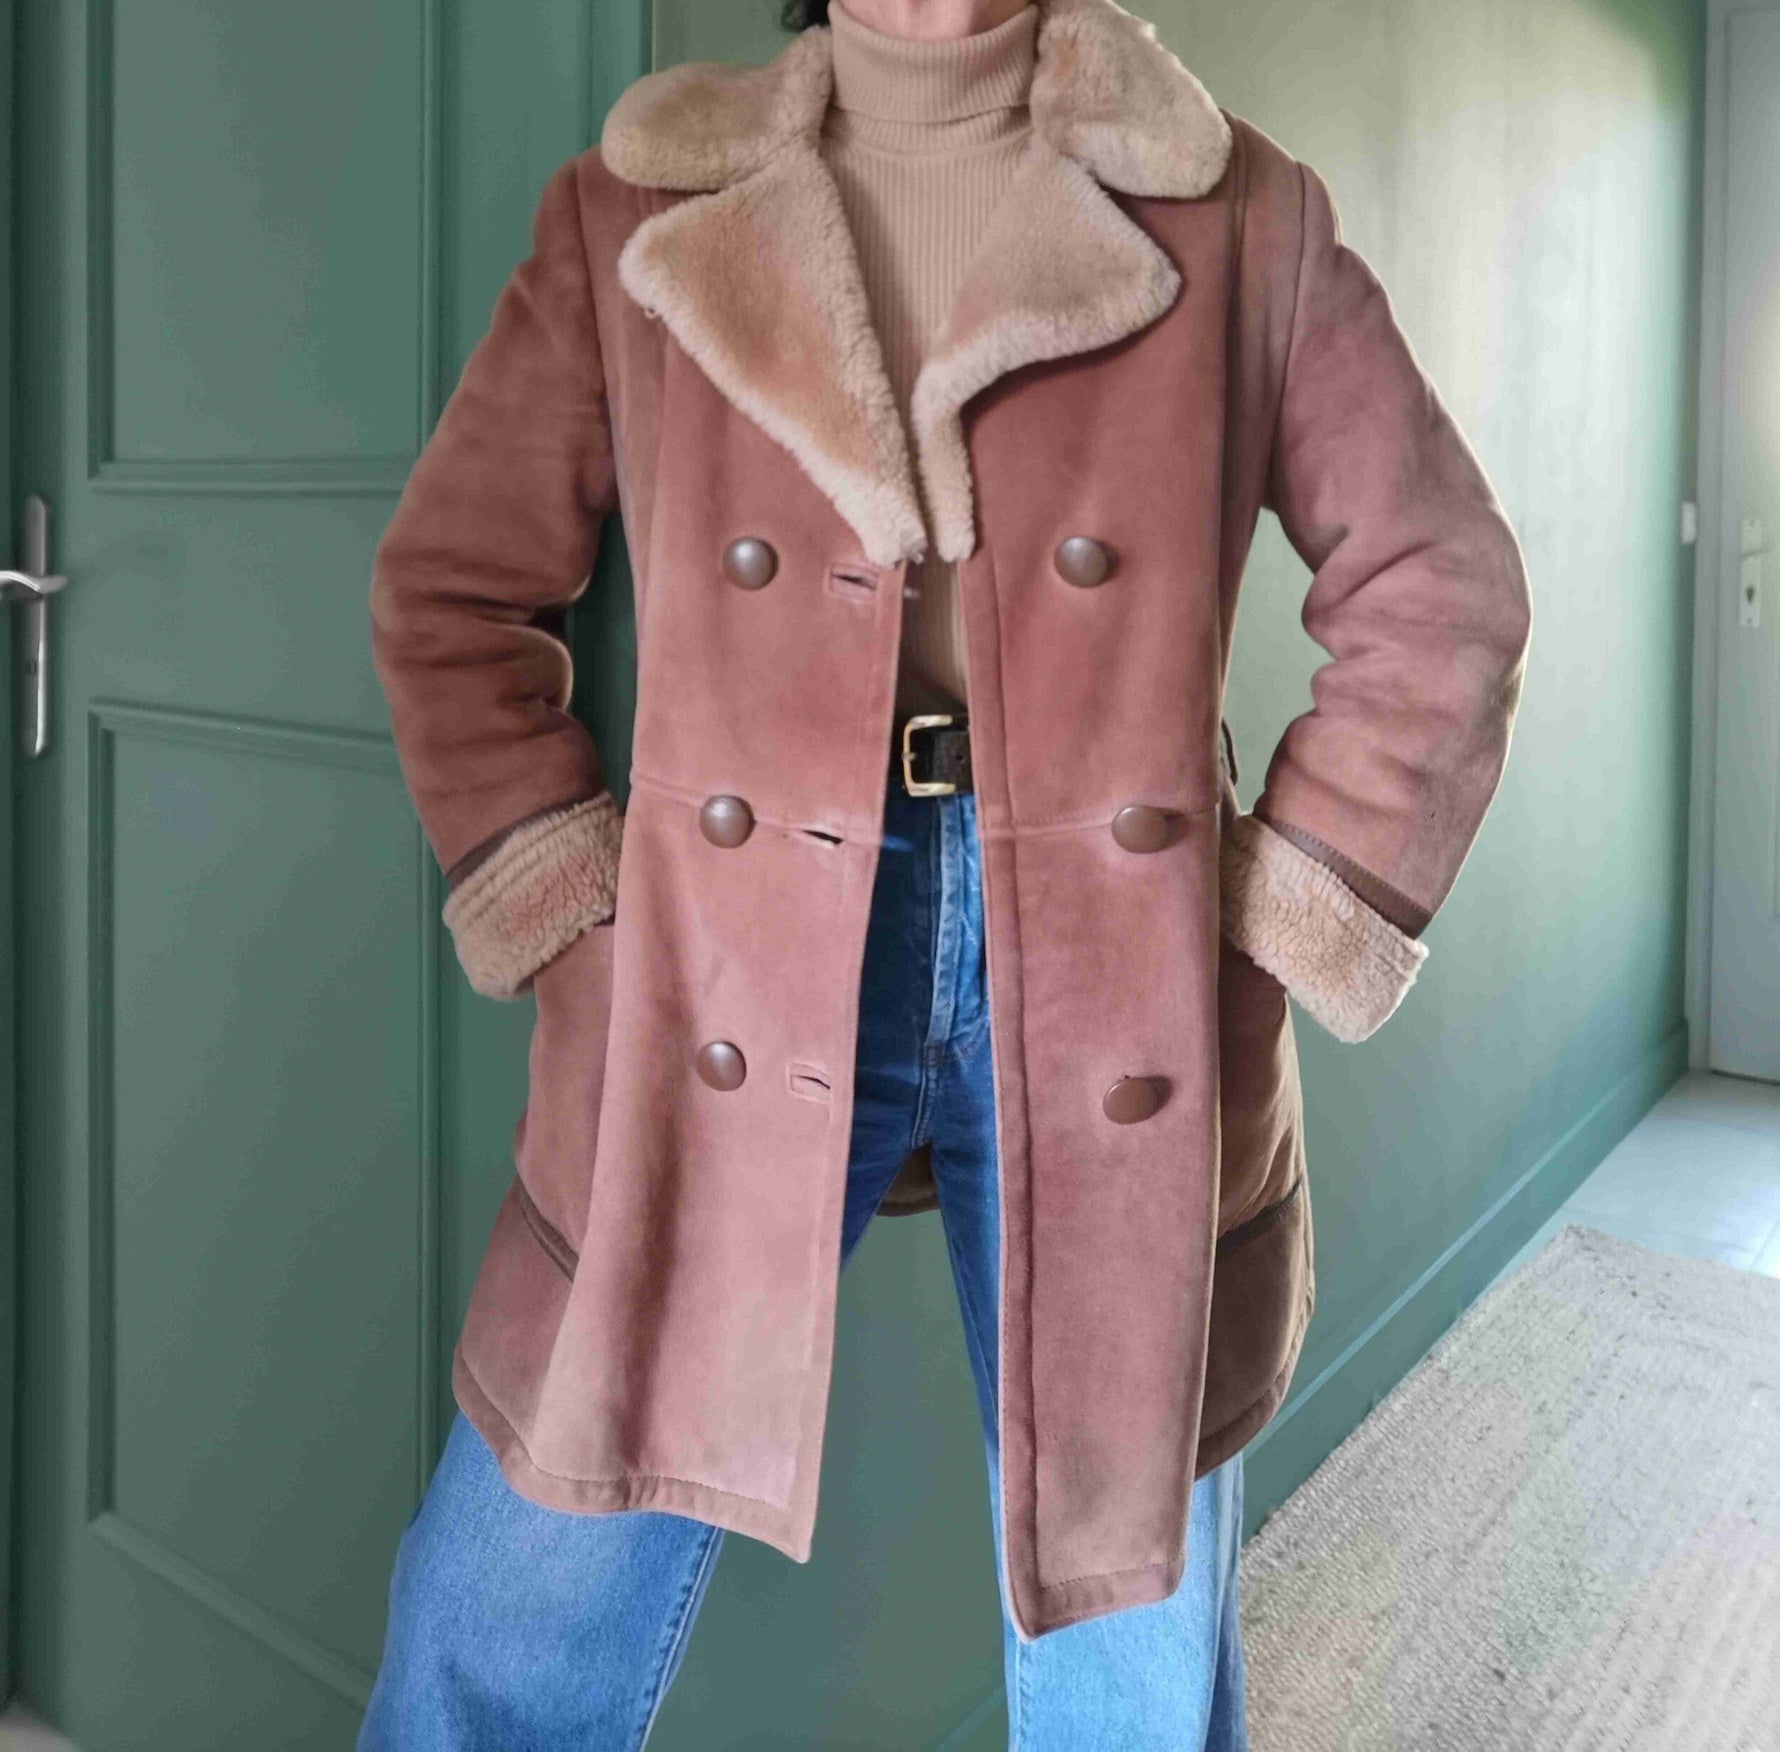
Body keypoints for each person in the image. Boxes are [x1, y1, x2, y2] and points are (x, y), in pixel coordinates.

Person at [359, 0, 1532, 1743]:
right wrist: (582, 923)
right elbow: (451, 592)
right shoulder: (638, 203)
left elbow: (1444, 590)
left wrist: (1264, 930)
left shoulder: (1231, 204)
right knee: (512, 1585)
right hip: (728, 951)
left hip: (1112, 957)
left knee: (1128, 1622)